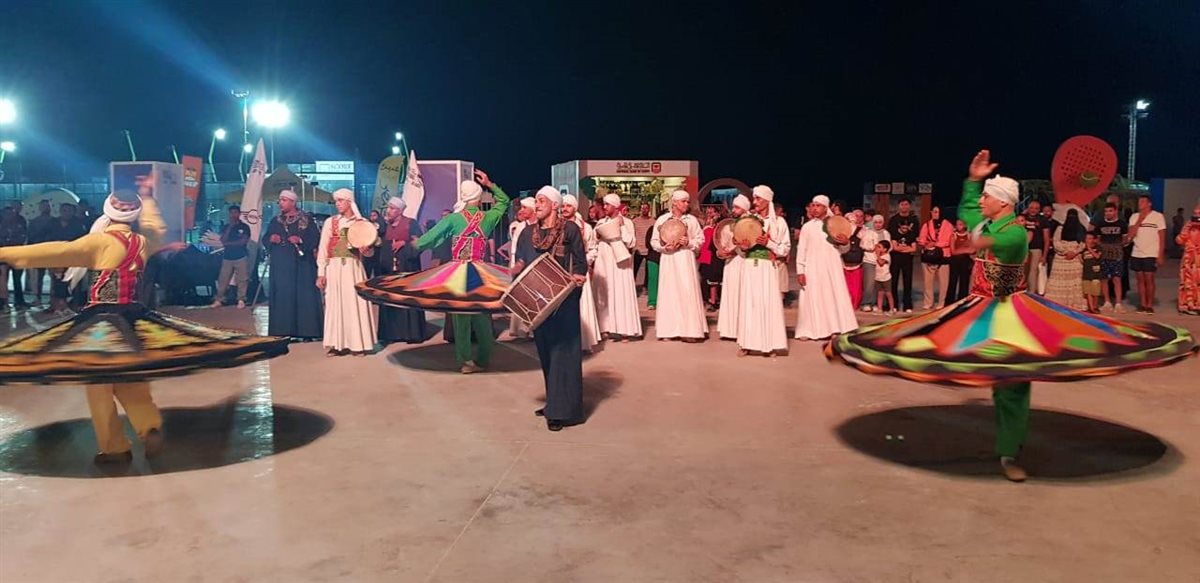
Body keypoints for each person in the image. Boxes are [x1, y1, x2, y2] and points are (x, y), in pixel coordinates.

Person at [827, 150, 1198, 482]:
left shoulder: (1015, 233)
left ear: (1002, 203)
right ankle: (1002, 432)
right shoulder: (988, 222)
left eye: (987, 196)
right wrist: (974, 181)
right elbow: (970, 213)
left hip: (1009, 311)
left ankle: (1009, 451)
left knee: (1013, 382)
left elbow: (996, 243)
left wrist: (974, 242)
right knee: (953, 355)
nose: (982, 201)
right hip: (977, 306)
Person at [0, 189, 288, 464]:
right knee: (132, 379)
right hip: (133, 318)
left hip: (101, 321)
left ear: (108, 212)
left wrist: (6, 253)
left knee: (99, 386)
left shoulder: (98, 243)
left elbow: (53, 251)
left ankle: (114, 448)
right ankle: (148, 425)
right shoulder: (141, 243)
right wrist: (148, 201)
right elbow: (155, 229)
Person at [412, 170, 511, 373]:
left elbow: (430, 237)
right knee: (482, 315)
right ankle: (484, 359)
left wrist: (416, 244)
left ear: (463, 197)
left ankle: (465, 361)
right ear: (478, 197)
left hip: (459, 271)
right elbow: (504, 201)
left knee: (461, 318)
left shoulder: (453, 219)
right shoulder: (488, 217)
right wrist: (489, 184)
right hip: (480, 271)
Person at [514, 188, 589, 431]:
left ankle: (562, 412)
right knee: (546, 352)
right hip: (537, 301)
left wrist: (578, 275)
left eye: (541, 200)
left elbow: (580, 261)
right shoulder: (528, 233)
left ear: (554, 205)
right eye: (536, 201)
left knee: (562, 353)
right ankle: (553, 403)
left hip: (563, 300)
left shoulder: (570, 229)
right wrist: (513, 271)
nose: (536, 205)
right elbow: (521, 261)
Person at [317, 188, 379, 356]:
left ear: (350, 202)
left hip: (353, 268)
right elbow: (323, 248)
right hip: (334, 268)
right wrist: (321, 272)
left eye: (341, 200)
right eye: (336, 201)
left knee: (354, 304)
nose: (337, 204)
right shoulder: (331, 222)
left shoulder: (361, 223)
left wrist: (366, 250)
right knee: (334, 305)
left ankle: (357, 344)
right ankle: (336, 344)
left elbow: (370, 252)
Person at [794, 194, 858, 340]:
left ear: (825, 207)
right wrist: (800, 271)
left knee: (831, 297)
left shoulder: (835, 223)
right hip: (812, 267)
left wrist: (845, 243)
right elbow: (801, 249)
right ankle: (808, 330)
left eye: (818, 205)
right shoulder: (807, 227)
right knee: (812, 297)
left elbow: (844, 250)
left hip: (831, 267)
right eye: (813, 205)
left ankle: (835, 328)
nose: (814, 208)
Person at [737, 186, 790, 356]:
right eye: (754, 198)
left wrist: (769, 243)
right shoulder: (748, 220)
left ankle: (769, 344)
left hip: (768, 268)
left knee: (768, 305)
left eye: (758, 198)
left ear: (768, 200)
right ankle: (746, 343)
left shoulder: (779, 222)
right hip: (749, 267)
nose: (755, 202)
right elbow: (739, 249)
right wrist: (743, 247)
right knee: (749, 305)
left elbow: (785, 249)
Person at [264, 190, 323, 340]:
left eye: (284, 200)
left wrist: (300, 240)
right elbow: (265, 238)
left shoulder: (306, 220)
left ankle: (307, 332)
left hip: (301, 266)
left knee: (304, 296)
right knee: (283, 296)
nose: (280, 203)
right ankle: (283, 330)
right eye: (280, 200)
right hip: (281, 265)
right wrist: (271, 238)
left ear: (293, 202)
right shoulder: (276, 220)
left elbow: (315, 238)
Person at [651, 190, 707, 342]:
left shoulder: (692, 220)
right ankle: (668, 330)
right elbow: (654, 241)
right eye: (683, 201)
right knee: (669, 291)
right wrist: (664, 248)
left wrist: (689, 242)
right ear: (674, 202)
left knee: (687, 291)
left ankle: (689, 330)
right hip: (669, 259)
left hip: (685, 258)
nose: (686, 204)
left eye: (688, 201)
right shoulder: (663, 220)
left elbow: (700, 239)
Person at [375, 196, 427, 344]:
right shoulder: (383, 226)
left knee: (407, 300)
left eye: (392, 208)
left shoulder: (411, 224)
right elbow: (377, 243)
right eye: (388, 208)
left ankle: (411, 334)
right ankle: (391, 334)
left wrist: (405, 243)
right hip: (388, 271)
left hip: (407, 269)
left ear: (400, 211)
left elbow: (420, 244)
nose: (388, 211)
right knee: (390, 300)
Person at [592, 193, 642, 341]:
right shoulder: (601, 222)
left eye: (607, 204)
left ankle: (624, 329)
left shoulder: (627, 222)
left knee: (621, 293)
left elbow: (631, 242)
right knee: (603, 292)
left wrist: (621, 227)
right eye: (604, 204)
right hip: (603, 261)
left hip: (620, 263)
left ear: (615, 206)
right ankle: (605, 328)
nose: (604, 207)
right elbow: (594, 240)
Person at [562, 194, 602, 351]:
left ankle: (584, 343)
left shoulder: (586, 227)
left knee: (582, 305)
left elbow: (593, 248)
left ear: (575, 208)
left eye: (568, 206)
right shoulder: (557, 225)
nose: (565, 209)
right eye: (563, 206)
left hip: (579, 269)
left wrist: (584, 262)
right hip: (563, 269)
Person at [716, 195, 750, 340]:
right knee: (731, 295)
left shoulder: (751, 224)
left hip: (745, 263)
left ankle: (744, 330)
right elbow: (721, 246)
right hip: (730, 265)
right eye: (733, 207)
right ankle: (729, 331)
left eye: (737, 207)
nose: (734, 210)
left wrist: (738, 249)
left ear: (745, 209)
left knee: (743, 296)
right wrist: (721, 252)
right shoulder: (727, 226)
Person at [1128, 195, 1166, 313]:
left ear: (1149, 203)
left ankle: (1149, 304)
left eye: (1143, 201)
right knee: (1140, 279)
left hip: (1151, 252)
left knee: (1149, 279)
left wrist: (1160, 254)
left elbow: (1162, 237)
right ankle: (1143, 304)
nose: (1140, 203)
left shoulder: (1158, 217)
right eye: (1139, 201)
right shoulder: (1134, 217)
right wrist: (1140, 220)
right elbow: (1130, 235)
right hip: (1137, 252)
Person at [505, 197, 537, 340]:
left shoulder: (539, 226)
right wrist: (514, 266)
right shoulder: (520, 227)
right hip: (520, 265)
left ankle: (533, 329)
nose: (521, 210)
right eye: (521, 207)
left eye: (525, 208)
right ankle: (521, 328)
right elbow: (515, 249)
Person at [1044, 209, 1087, 310]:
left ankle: (1074, 303)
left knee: (1075, 282)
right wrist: (1066, 252)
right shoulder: (1060, 228)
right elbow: (1056, 241)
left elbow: (1083, 242)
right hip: (1061, 258)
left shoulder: (1081, 228)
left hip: (1075, 259)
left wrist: (1075, 252)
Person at [212, 205, 252, 308]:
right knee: (223, 279)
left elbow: (243, 241)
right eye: (231, 213)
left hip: (241, 256)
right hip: (227, 257)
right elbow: (223, 240)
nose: (233, 215)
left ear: (239, 214)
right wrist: (230, 228)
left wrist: (229, 244)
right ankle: (219, 299)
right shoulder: (226, 227)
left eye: (235, 213)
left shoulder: (245, 227)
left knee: (242, 279)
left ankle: (241, 299)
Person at [886, 198, 919, 312]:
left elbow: (915, 238)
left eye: (906, 204)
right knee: (893, 281)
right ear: (899, 206)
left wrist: (908, 249)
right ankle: (893, 304)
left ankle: (907, 305)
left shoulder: (914, 220)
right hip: (895, 256)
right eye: (902, 204)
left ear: (909, 206)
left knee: (907, 280)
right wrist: (901, 248)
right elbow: (892, 239)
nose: (904, 206)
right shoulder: (893, 220)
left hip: (908, 257)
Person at [1094, 203, 1127, 312]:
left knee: (1117, 278)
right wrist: (1103, 247)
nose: (1108, 213)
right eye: (1106, 211)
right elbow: (1097, 239)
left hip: (1117, 255)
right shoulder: (1100, 224)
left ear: (1115, 211)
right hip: (1104, 255)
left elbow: (1125, 239)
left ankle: (1118, 303)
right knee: (1104, 279)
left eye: (1110, 211)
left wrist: (1117, 247)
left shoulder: (1122, 224)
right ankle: (1107, 302)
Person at [918, 205, 952, 309]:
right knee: (927, 281)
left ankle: (941, 302)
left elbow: (948, 240)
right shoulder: (927, 225)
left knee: (943, 282)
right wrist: (926, 244)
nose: (935, 214)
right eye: (934, 211)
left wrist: (935, 244)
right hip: (929, 255)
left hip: (943, 255)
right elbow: (921, 239)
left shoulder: (948, 225)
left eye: (937, 212)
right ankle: (928, 302)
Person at [857, 214, 888, 311]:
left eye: (880, 222)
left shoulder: (886, 233)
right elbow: (862, 245)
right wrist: (872, 248)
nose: (878, 224)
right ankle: (866, 303)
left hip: (881, 260)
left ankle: (875, 303)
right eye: (876, 222)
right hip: (869, 260)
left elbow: (889, 246)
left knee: (878, 283)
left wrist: (883, 254)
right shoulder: (868, 232)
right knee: (869, 283)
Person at [27, 200, 55, 305]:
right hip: (39, 252)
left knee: (54, 276)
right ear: (40, 208)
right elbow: (30, 238)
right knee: (38, 276)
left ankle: (53, 297)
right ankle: (37, 297)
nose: (46, 208)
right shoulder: (34, 222)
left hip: (52, 252)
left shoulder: (55, 221)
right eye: (43, 206)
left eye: (47, 206)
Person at [1176, 203, 1200, 315]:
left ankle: (1197, 304)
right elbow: (1179, 240)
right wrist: (1187, 227)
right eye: (1195, 214)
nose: (1197, 217)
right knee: (1187, 281)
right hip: (1189, 258)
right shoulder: (1188, 226)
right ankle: (1186, 305)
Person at [1023, 200, 1051, 294]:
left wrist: (1044, 256)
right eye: (1031, 208)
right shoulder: (1023, 218)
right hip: (1023, 249)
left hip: (1036, 249)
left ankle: (1031, 294)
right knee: (1023, 271)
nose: (1033, 210)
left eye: (1036, 208)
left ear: (1039, 210)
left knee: (1033, 272)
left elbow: (1046, 239)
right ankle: (1022, 292)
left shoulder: (1043, 220)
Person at [698, 206, 723, 311]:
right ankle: (707, 299)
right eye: (708, 212)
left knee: (713, 279)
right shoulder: (704, 225)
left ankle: (713, 300)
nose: (710, 214)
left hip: (713, 254)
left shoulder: (719, 225)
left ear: (717, 214)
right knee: (704, 278)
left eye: (712, 212)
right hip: (704, 254)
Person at [840, 213, 866, 309]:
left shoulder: (862, 231)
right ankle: (850, 304)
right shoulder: (842, 231)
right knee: (851, 285)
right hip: (846, 262)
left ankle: (853, 304)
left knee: (854, 286)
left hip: (854, 263)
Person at [945, 219, 973, 303]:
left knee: (964, 282)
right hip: (955, 262)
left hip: (965, 261)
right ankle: (949, 302)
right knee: (952, 282)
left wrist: (960, 251)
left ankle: (962, 301)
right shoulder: (953, 236)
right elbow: (953, 251)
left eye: (960, 224)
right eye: (957, 224)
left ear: (964, 225)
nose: (959, 226)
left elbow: (972, 250)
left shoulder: (969, 236)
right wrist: (965, 250)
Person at [631, 202, 655, 294]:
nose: (644, 210)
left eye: (646, 208)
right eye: (642, 208)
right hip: (638, 250)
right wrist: (634, 247)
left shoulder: (653, 221)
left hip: (649, 249)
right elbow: (632, 234)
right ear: (640, 210)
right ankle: (632, 286)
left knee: (648, 270)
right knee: (635, 269)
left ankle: (646, 287)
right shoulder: (635, 221)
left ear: (649, 209)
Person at [1081, 232, 1104, 313]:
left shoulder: (1098, 248)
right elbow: (1081, 260)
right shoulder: (1083, 250)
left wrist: (1089, 249)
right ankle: (1091, 308)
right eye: (1087, 238)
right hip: (1086, 273)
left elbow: (1097, 256)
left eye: (1090, 238)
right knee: (1088, 292)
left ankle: (1095, 306)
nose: (1088, 240)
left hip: (1095, 274)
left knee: (1095, 292)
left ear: (1094, 240)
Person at [874, 240, 895, 314]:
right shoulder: (879, 255)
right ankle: (879, 309)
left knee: (888, 294)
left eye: (879, 247)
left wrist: (877, 255)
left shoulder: (887, 256)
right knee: (880, 293)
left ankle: (891, 309)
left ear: (885, 249)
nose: (877, 249)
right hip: (878, 277)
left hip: (886, 278)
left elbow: (881, 263)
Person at [643, 219, 660, 311]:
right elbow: (648, 244)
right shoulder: (652, 229)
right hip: (653, 258)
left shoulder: (672, 229)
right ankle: (652, 302)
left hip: (667, 258)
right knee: (653, 280)